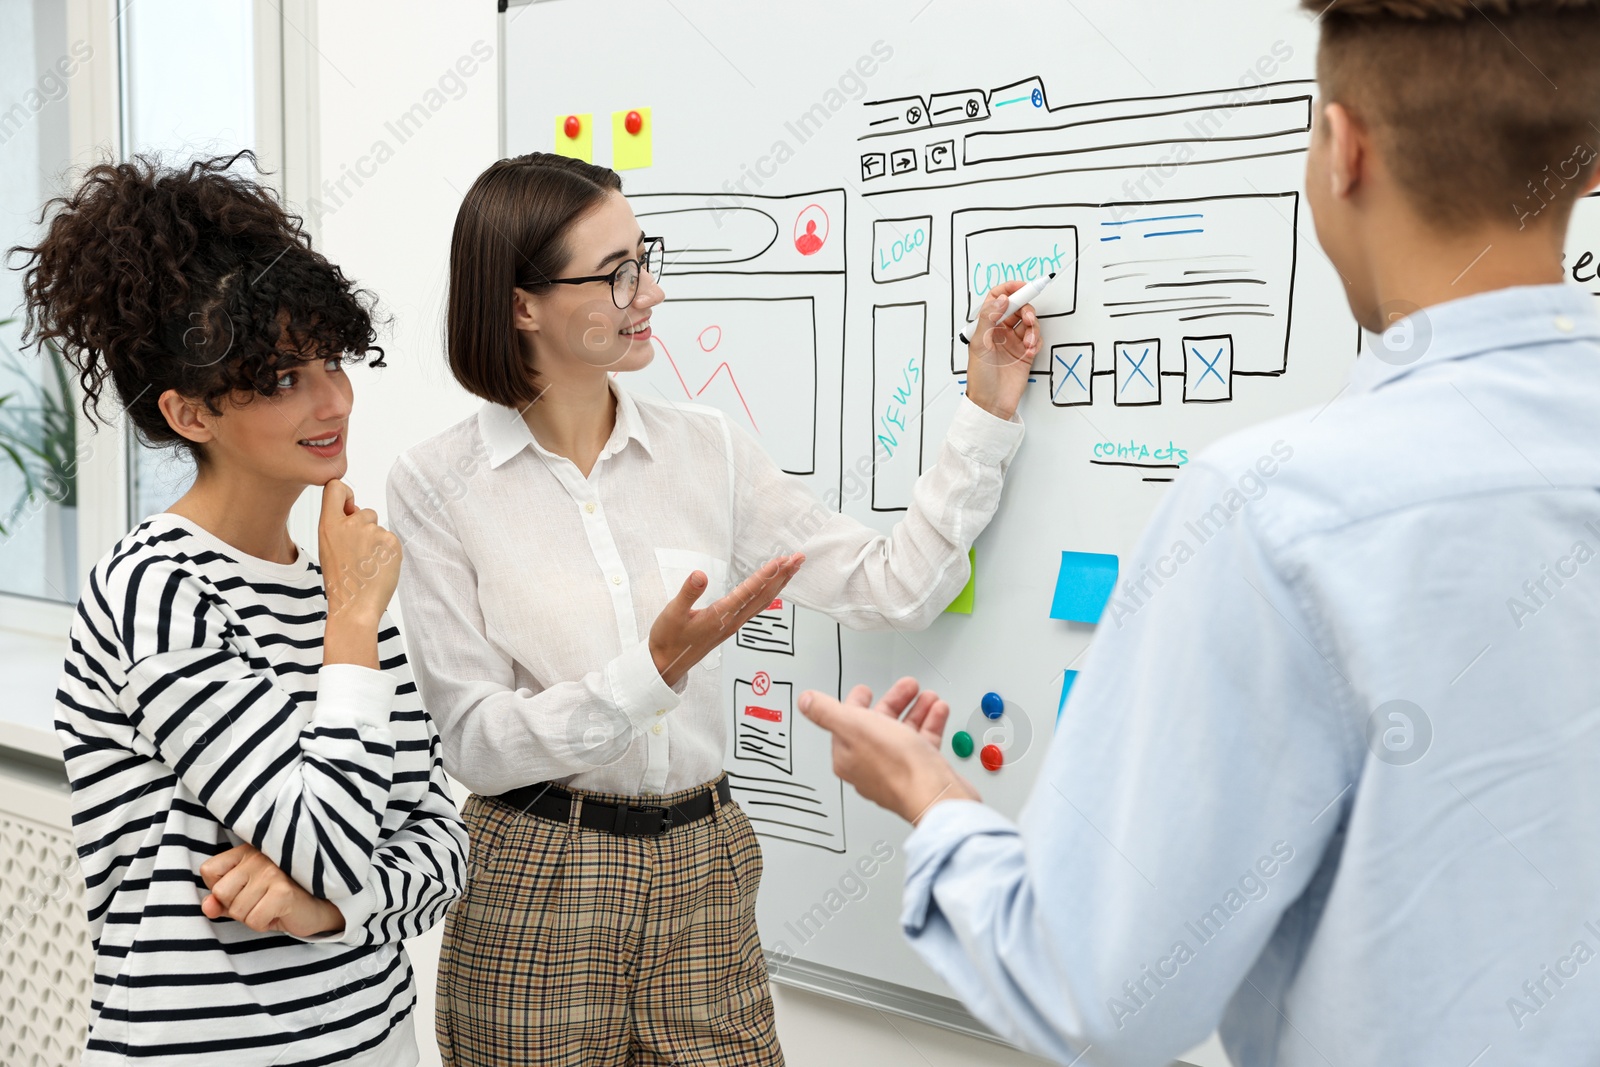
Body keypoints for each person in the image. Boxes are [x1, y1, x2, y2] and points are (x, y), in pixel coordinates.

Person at [798, 1, 1600, 1064]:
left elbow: (1104, 995)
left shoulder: (1276, 507)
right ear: (1584, 170)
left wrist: (929, 793)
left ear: (1343, 147)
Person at [385, 151, 1040, 1066]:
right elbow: (476, 741)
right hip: (537, 874)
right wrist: (643, 677)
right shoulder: (436, 483)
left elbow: (893, 583)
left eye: (643, 257)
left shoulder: (707, 451)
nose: (649, 291)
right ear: (522, 303)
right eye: (617, 274)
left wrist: (986, 411)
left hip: (705, 864)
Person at [17, 153, 467, 1066]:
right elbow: (332, 839)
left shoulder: (342, 576)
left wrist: (330, 907)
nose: (332, 399)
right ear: (189, 415)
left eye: (331, 360)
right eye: (280, 378)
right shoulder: (156, 589)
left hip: (377, 1040)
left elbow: (445, 845)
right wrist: (349, 624)